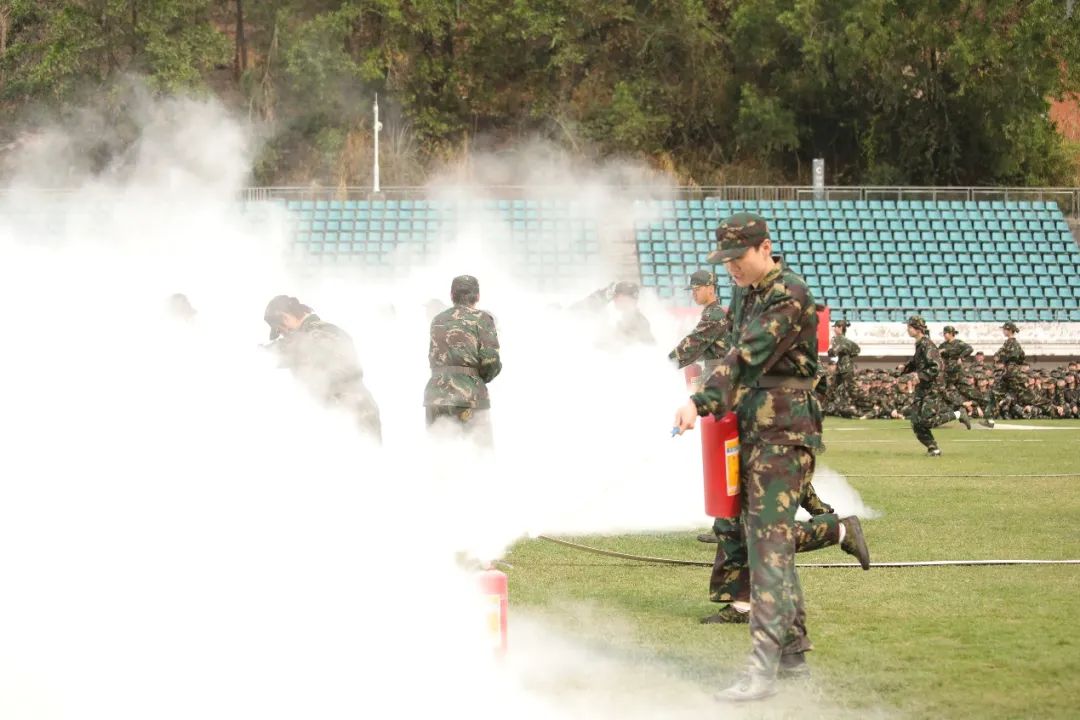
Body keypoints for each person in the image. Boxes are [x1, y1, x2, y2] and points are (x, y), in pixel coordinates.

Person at [672, 212, 869, 701]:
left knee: (767, 550)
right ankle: (794, 654)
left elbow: (747, 355)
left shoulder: (790, 294)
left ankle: (761, 671)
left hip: (785, 430)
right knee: (761, 538)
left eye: (738, 259)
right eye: (725, 261)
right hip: (752, 428)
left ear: (764, 249)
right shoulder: (746, 294)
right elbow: (735, 352)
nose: (731, 269)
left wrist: (701, 401)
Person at [263, 295, 382, 443]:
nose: (283, 334)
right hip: (347, 414)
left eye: (280, 330)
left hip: (353, 414)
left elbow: (285, 350)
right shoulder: (316, 333)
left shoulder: (320, 334)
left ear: (286, 318)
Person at [423, 275, 502, 447]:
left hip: (436, 396)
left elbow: (433, 357)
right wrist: (476, 379)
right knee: (478, 455)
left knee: (439, 455)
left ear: (452, 295)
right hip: (468, 397)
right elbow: (491, 362)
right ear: (478, 296)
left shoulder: (437, 320)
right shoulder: (482, 319)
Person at [901, 316, 971, 456]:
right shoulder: (920, 344)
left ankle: (959, 413)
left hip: (932, 387)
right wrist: (904, 368)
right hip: (923, 387)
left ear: (916, 328)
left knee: (927, 420)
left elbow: (937, 366)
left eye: (909, 327)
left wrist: (919, 376)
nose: (907, 329)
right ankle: (933, 448)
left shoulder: (928, 344)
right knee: (916, 421)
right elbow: (916, 361)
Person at [574, 281, 655, 346]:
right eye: (617, 297)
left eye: (625, 299)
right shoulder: (609, 313)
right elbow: (579, 308)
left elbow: (647, 346)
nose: (618, 301)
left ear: (634, 301)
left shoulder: (640, 322)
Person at [983, 321, 1028, 428]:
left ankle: (989, 418)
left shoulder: (1009, 343)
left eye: (1004, 329)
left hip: (1009, 372)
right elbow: (1022, 356)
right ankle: (990, 417)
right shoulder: (1015, 343)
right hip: (1013, 372)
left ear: (1009, 330)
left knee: (995, 393)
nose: (1003, 331)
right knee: (1012, 394)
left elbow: (999, 356)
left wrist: (999, 358)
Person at [826, 319, 860, 409]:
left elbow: (832, 353)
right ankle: (850, 405)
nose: (834, 329)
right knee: (846, 387)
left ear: (840, 327)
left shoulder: (837, 339)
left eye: (835, 327)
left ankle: (858, 405)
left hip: (843, 367)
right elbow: (857, 351)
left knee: (846, 387)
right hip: (846, 366)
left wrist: (830, 347)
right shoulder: (847, 341)